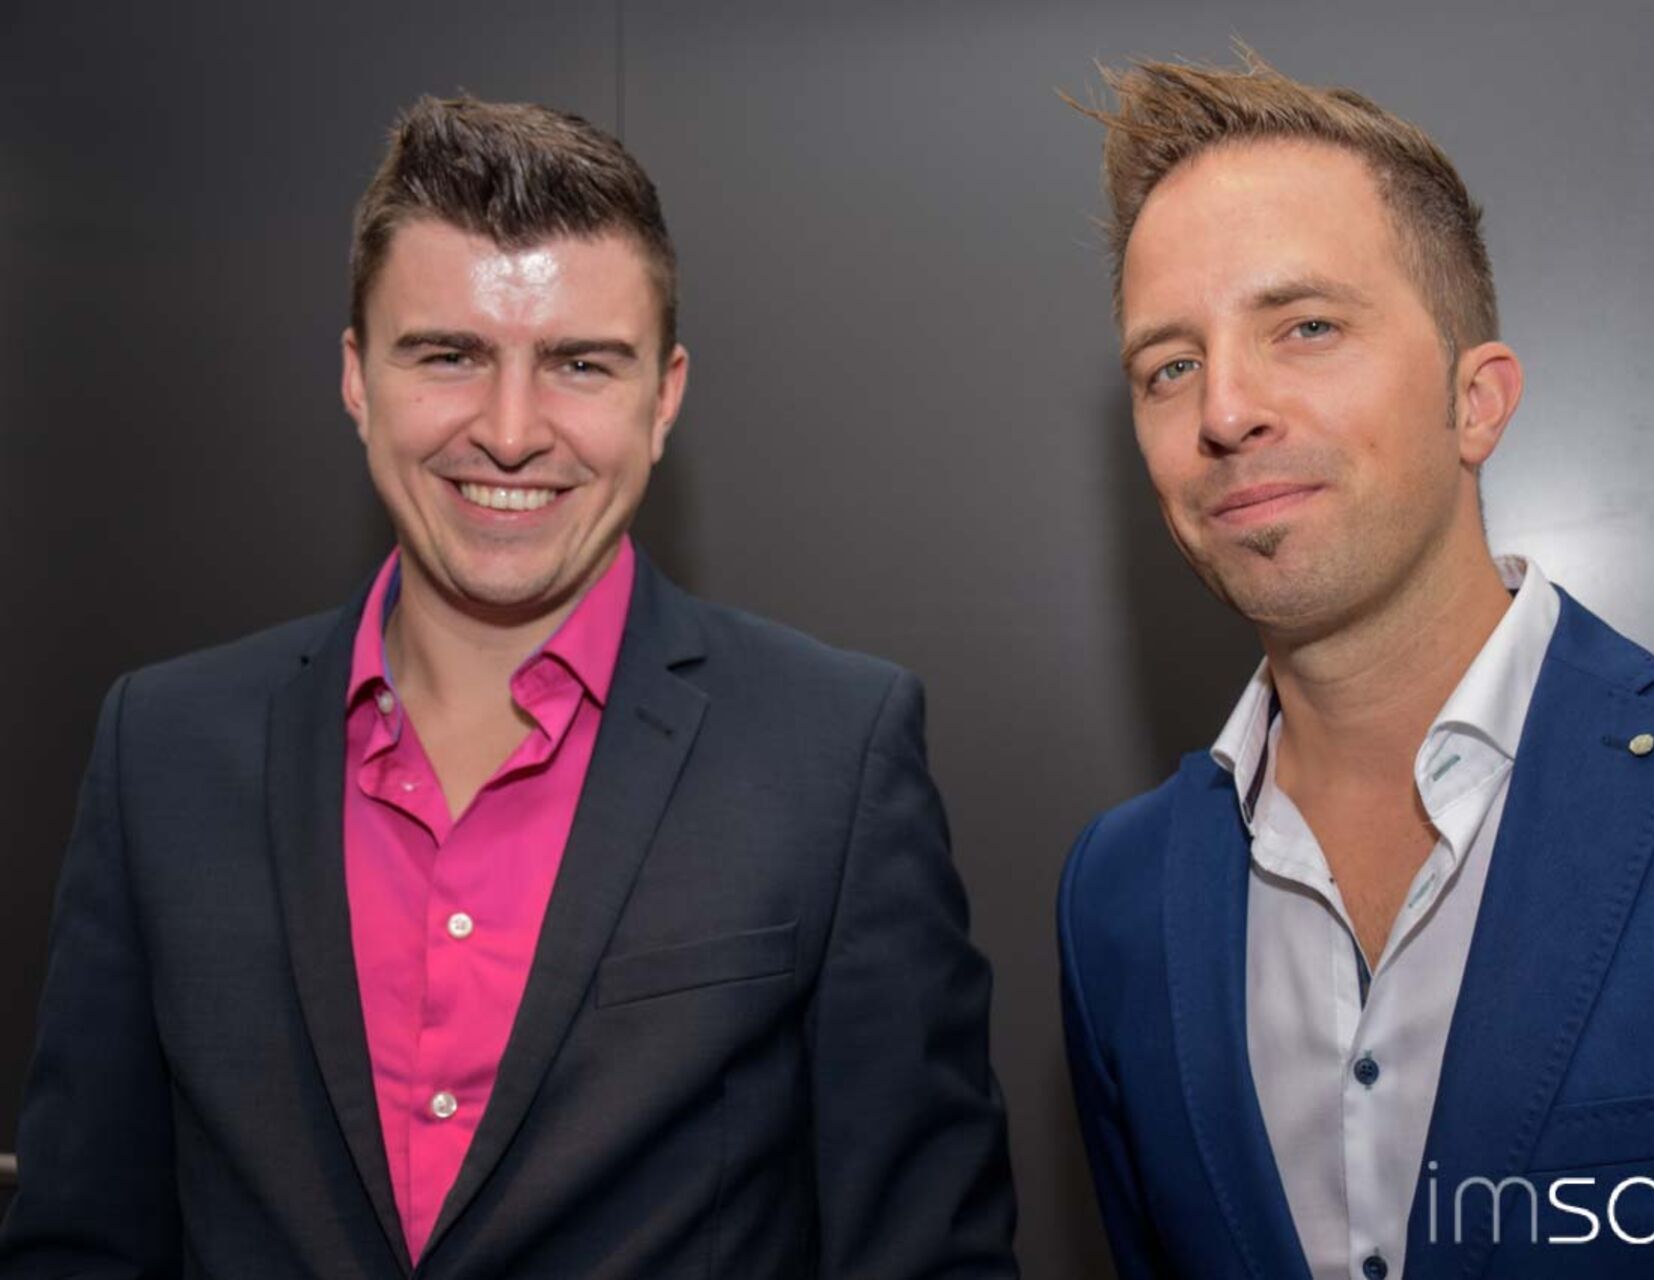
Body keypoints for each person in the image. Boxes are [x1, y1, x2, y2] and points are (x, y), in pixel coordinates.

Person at [0, 96, 1016, 1279]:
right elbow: (79, 1244)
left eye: (580, 363)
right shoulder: (164, 752)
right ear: (356, 376)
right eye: (449, 354)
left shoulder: (833, 755)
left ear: (664, 396)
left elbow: (928, 1254)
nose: (512, 430)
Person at [1057, 50, 1654, 1280]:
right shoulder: (1118, 898)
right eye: (1170, 366)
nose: (1225, 409)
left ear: (1478, 402)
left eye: (1306, 326)